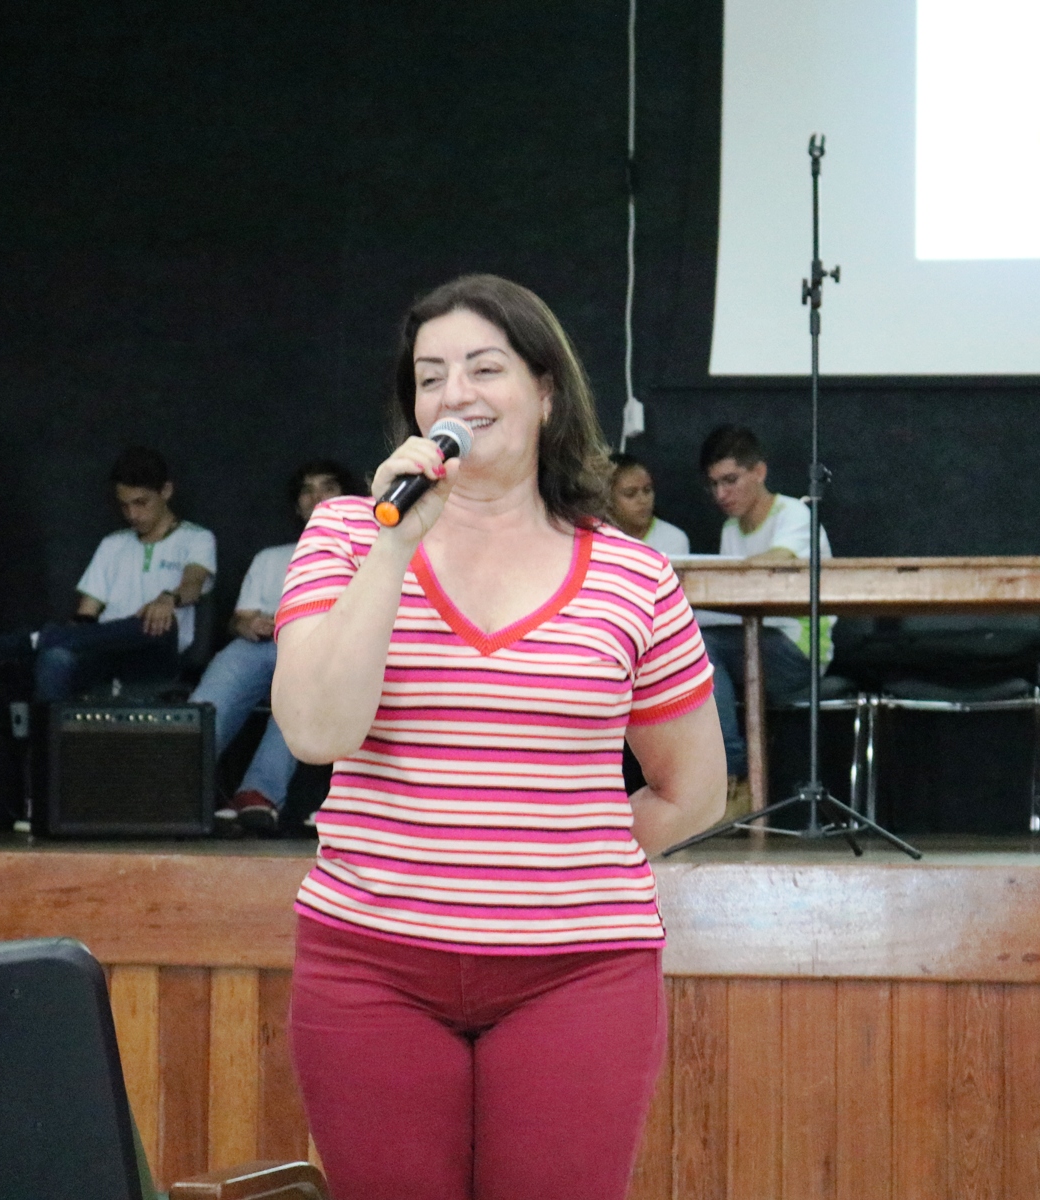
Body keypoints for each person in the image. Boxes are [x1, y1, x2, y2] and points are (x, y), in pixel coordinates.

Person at [271, 274, 725, 1200]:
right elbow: (316, 732)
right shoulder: (347, 536)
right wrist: (396, 546)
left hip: (578, 973)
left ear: (545, 390)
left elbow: (693, 792)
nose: (455, 394)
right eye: (429, 376)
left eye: (485, 368)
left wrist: (545, 860)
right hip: (370, 963)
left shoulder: (635, 576)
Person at [0, 446, 216, 700]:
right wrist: (73, 635)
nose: (133, 515)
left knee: (155, 624)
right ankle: (48, 718)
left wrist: (168, 599)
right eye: (125, 506)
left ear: (166, 491)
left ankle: (28, 641)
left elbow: (193, 583)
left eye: (141, 503)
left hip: (158, 657)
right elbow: (85, 616)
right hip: (105, 651)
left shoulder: (197, 538)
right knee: (55, 657)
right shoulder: (112, 544)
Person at [189, 460, 356, 834]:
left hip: (326, 655)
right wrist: (249, 625)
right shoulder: (271, 558)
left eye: (327, 487)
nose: (316, 497)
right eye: (307, 490)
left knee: (298, 676)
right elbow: (238, 620)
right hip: (267, 646)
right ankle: (177, 778)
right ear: (297, 505)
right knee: (232, 660)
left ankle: (257, 793)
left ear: (348, 498)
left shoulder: (368, 553)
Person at [697, 424, 832, 812]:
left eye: (730, 480)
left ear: (759, 472)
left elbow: (772, 564)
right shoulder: (730, 529)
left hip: (800, 651)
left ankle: (734, 777)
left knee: (701, 648)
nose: (721, 495)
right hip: (749, 642)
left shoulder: (795, 514)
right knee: (687, 648)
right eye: (714, 484)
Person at [607, 451, 690, 558]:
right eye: (630, 494)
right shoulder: (596, 538)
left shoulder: (673, 539)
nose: (643, 500)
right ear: (607, 499)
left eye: (647, 490)